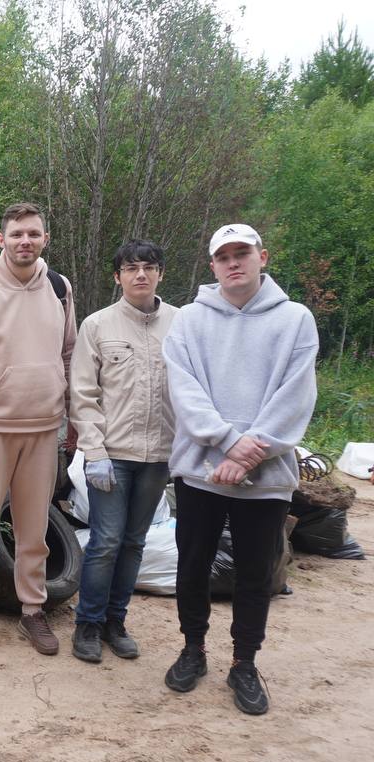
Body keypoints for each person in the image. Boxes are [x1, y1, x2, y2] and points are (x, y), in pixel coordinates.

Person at [162, 223, 317, 715]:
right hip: (200, 473)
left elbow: (296, 396)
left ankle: (244, 663)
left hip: (266, 480)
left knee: (255, 575)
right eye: (223, 255)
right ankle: (193, 650)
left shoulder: (295, 320)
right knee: (192, 567)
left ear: (262, 257)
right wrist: (229, 444)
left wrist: (249, 454)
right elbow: (183, 391)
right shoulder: (188, 320)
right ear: (212, 266)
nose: (234, 262)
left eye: (242, 253)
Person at [0, 201, 77, 656]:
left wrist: (73, 421)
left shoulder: (60, 289)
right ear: (1, 240)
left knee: (34, 528)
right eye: (17, 234)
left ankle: (33, 610)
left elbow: (69, 357)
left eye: (34, 234)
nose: (26, 241)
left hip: (44, 429)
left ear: (45, 239)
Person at [68, 239, 178, 663]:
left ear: (160, 274)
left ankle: (116, 621)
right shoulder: (98, 325)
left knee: (135, 542)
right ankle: (88, 624)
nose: (140, 275)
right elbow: (83, 393)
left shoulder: (181, 323)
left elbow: (190, 390)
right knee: (106, 541)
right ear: (118, 277)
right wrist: (94, 452)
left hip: (158, 456)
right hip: (112, 454)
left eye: (149, 267)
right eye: (131, 268)